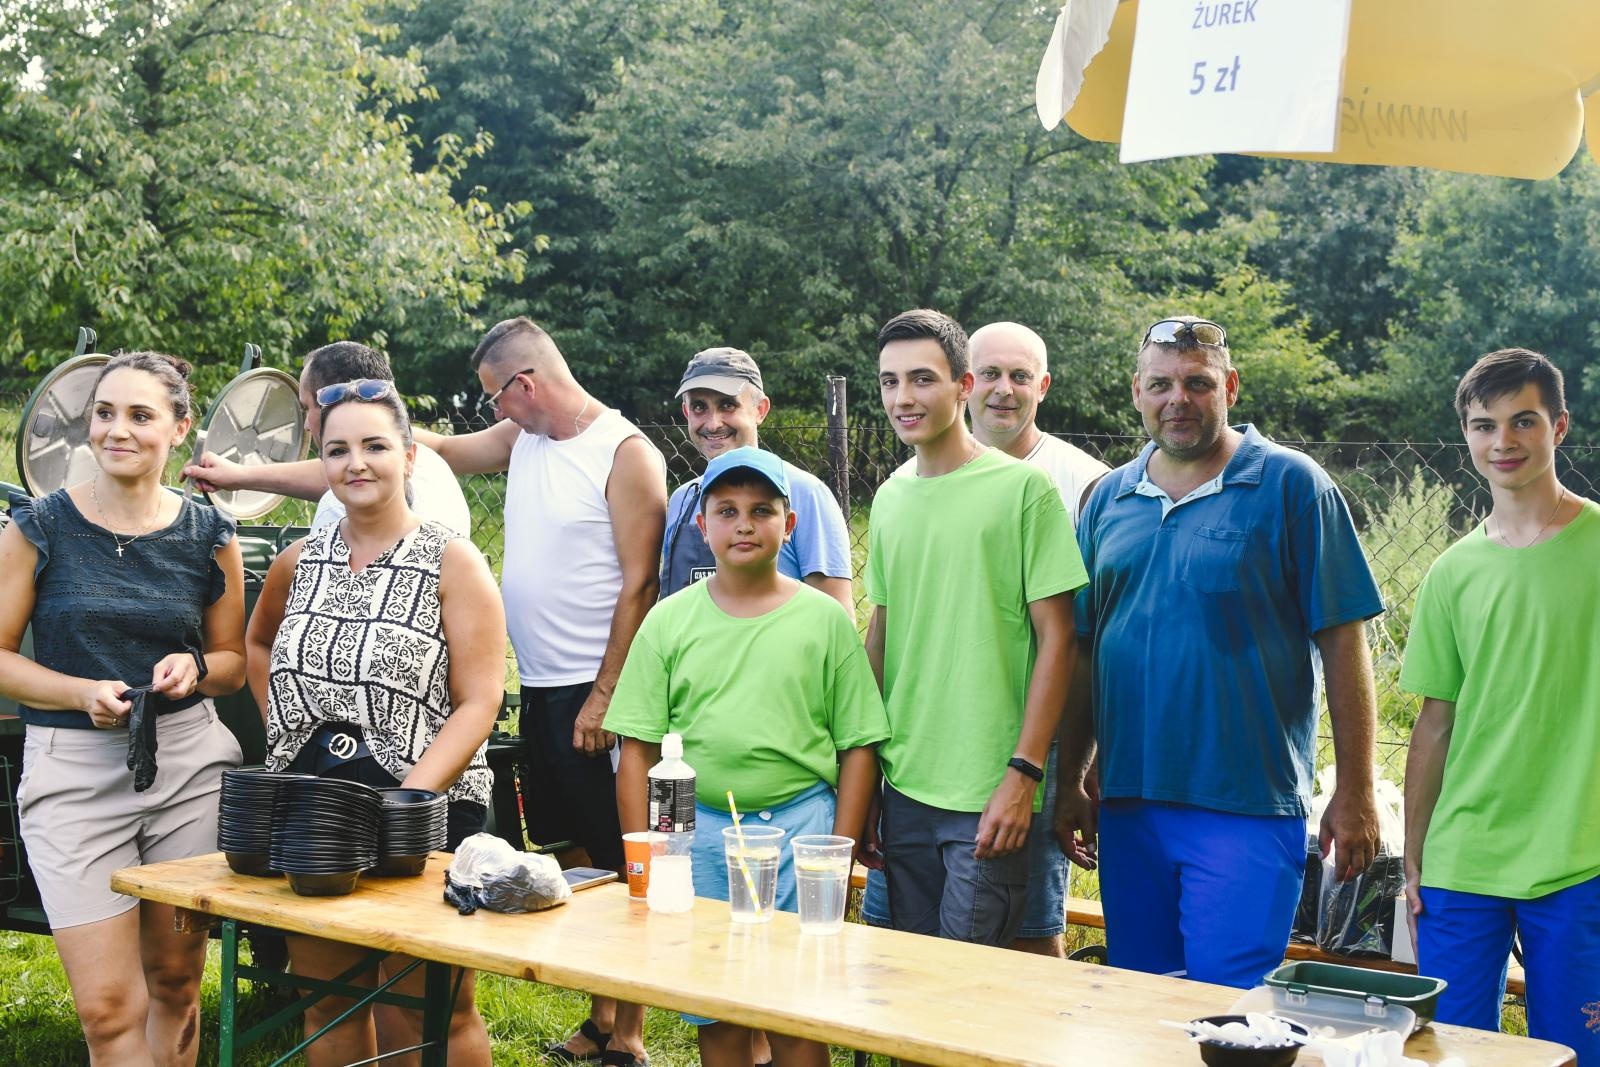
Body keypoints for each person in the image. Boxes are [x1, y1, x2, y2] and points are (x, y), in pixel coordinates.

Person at [1056, 316, 1384, 988]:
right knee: (1142, 1006)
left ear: (1229, 386)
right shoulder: (1107, 500)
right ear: (1137, 393)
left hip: (1245, 806)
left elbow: (1345, 643)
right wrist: (1069, 776)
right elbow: (1086, 652)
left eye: (1198, 382)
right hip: (1129, 803)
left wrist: (1356, 791)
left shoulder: (1293, 486)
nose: (1179, 397)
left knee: (1230, 1016)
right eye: (1161, 384)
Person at [413, 317, 665, 1067]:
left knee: (628, 863)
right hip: (542, 690)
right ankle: (599, 1017)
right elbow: (445, 452)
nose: (493, 412)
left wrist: (607, 696)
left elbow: (640, 582)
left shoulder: (624, 453)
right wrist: (372, 420)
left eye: (495, 396)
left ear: (525, 384)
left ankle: (632, 1034)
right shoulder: (525, 439)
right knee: (581, 859)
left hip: (601, 693)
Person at [245, 378, 506, 1067]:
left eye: (374, 445)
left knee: (424, 1005)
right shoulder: (297, 562)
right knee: (328, 996)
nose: (355, 462)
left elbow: (482, 698)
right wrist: (287, 732)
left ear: (411, 455)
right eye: (337, 450)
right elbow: (257, 642)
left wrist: (409, 795)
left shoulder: (453, 561)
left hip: (425, 807)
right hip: (315, 810)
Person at [0, 351, 246, 1065]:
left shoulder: (212, 534)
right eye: (104, 413)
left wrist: (195, 667)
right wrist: (79, 692)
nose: (117, 429)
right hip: (72, 772)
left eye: (140, 414)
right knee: (108, 1010)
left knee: (174, 979)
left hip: (187, 766)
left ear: (178, 428)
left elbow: (232, 664)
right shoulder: (37, 526)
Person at [608, 446, 888, 1067]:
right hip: (698, 838)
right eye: (726, 510)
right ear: (700, 526)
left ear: (788, 526)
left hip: (800, 834)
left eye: (762, 511)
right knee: (719, 1009)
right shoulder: (667, 622)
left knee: (797, 1013)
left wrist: (835, 857)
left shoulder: (824, 622)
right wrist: (645, 859)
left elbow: (860, 745)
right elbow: (637, 750)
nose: (743, 524)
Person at [866, 320, 1108, 957]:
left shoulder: (1023, 491)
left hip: (990, 791)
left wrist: (1024, 775)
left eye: (923, 379)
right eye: (890, 382)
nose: (903, 398)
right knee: (904, 983)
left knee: (966, 989)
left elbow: (1059, 640)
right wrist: (863, 775)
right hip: (905, 786)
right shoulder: (890, 496)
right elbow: (883, 632)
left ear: (962, 387)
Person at [1400, 348, 1600, 1060]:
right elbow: (1434, 725)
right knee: (1449, 1050)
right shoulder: (1452, 572)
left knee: (1575, 1053)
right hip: (1464, 860)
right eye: (1485, 425)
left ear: (1560, 427)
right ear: (1467, 436)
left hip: (1579, 858)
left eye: (1524, 421)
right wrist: (1414, 857)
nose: (1504, 441)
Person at [182, 341, 471, 536]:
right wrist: (239, 475)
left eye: (308, 408)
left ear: (336, 402)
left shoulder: (341, 506)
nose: (306, 425)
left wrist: (240, 476)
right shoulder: (432, 466)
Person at [661, 347, 853, 614]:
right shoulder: (682, 499)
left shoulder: (805, 493)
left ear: (760, 410)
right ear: (686, 413)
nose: (713, 423)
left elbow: (836, 621)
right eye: (699, 407)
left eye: (728, 405)